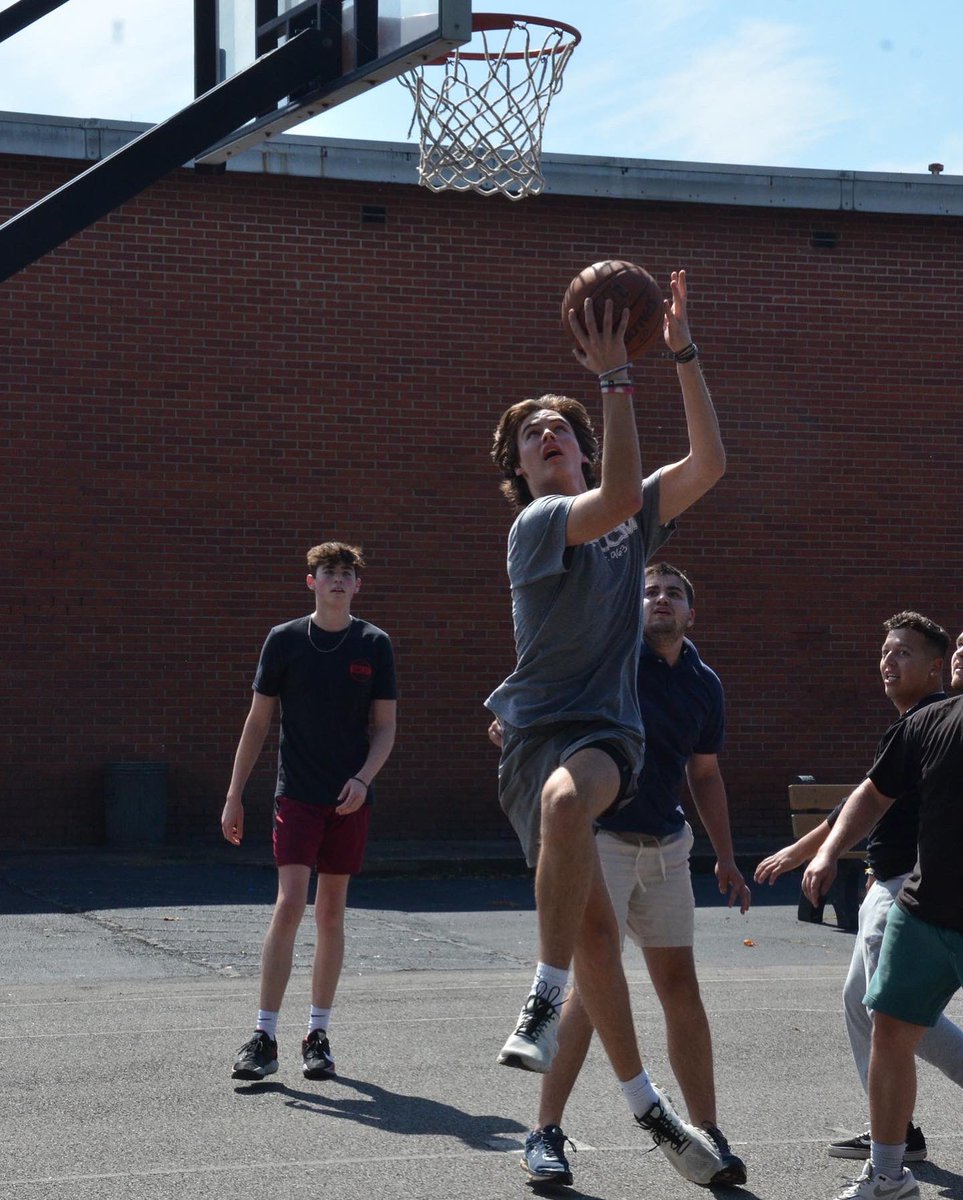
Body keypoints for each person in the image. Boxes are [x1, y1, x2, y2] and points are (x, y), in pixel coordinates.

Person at [485, 271, 729, 1186]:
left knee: (567, 797)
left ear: (585, 450)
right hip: (536, 733)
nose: (546, 438)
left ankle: (539, 1000)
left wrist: (677, 356)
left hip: (601, 737)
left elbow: (706, 463)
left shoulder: (628, 514)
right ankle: (645, 1109)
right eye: (528, 437)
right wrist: (612, 379)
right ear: (521, 470)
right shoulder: (539, 524)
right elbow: (622, 494)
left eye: (559, 430)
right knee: (595, 944)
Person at [509, 561, 752, 1189]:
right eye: (649, 592)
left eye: (673, 593)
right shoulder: (609, 663)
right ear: (632, 608)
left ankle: (707, 1135)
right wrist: (519, 730)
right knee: (591, 994)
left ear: (691, 613)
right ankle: (544, 1133)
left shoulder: (704, 683)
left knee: (681, 988)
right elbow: (541, 697)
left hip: (668, 846)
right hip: (603, 843)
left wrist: (725, 857)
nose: (661, 600)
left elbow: (704, 774)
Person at [756, 613, 963, 1163]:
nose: (889, 663)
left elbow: (867, 802)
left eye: (903, 654)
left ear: (936, 666)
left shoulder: (935, 718)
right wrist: (808, 852)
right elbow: (865, 799)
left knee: (891, 1012)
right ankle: (897, 1133)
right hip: (887, 884)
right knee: (862, 1003)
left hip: (908, 890)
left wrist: (818, 855)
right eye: (885, 651)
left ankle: (894, 1143)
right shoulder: (911, 726)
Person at [222, 542, 397, 1082]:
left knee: (331, 914)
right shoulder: (285, 641)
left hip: (348, 798)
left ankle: (317, 1033)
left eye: (347, 574)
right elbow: (256, 724)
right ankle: (264, 1035)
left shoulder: (374, 643)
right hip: (295, 793)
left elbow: (385, 728)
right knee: (290, 904)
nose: (339, 581)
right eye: (329, 573)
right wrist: (233, 794)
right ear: (312, 582)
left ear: (358, 585)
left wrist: (363, 780)